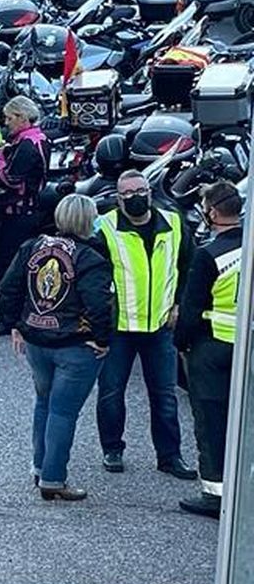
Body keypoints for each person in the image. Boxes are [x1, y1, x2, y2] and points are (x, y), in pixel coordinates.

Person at [0, 193, 114, 502]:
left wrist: (15, 323)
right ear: (89, 221)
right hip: (75, 345)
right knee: (63, 412)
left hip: (36, 339)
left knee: (43, 404)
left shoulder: (33, 246)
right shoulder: (90, 256)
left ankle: (39, 467)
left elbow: (9, 286)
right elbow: (99, 303)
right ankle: (53, 478)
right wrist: (103, 339)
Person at [89, 170, 197, 480]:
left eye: (141, 190)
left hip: (160, 325)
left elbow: (188, 267)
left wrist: (179, 303)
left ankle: (170, 457)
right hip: (119, 327)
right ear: (118, 198)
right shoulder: (105, 227)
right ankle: (112, 449)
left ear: (150, 192)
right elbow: (94, 278)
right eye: (128, 194)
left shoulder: (174, 223)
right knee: (111, 392)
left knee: (164, 395)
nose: (136, 197)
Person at [175, 181, 243, 518]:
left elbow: (191, 307)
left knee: (211, 420)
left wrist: (180, 344)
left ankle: (216, 494)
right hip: (246, 347)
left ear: (212, 212)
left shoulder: (210, 254)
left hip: (213, 347)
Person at [0, 95, 49, 335]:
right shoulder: (35, 139)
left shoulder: (27, 145)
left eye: (9, 118)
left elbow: (9, 178)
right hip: (25, 211)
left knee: (3, 268)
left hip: (19, 213)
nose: (6, 123)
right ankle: (6, 313)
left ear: (21, 118)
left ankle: (9, 318)